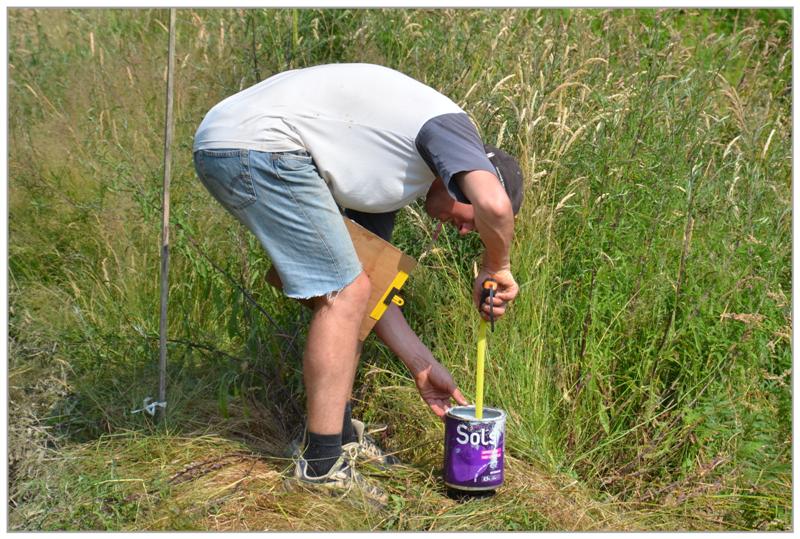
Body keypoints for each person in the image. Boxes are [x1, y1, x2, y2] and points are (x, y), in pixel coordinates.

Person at [192, 63, 524, 505]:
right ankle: (322, 466)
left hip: (242, 140)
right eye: (472, 225)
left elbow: (371, 288)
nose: (466, 233)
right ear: (468, 185)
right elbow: (496, 207)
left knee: (352, 289)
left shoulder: (388, 174)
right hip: (255, 144)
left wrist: (422, 367)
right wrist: (496, 265)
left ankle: (339, 437)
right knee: (343, 293)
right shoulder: (452, 132)